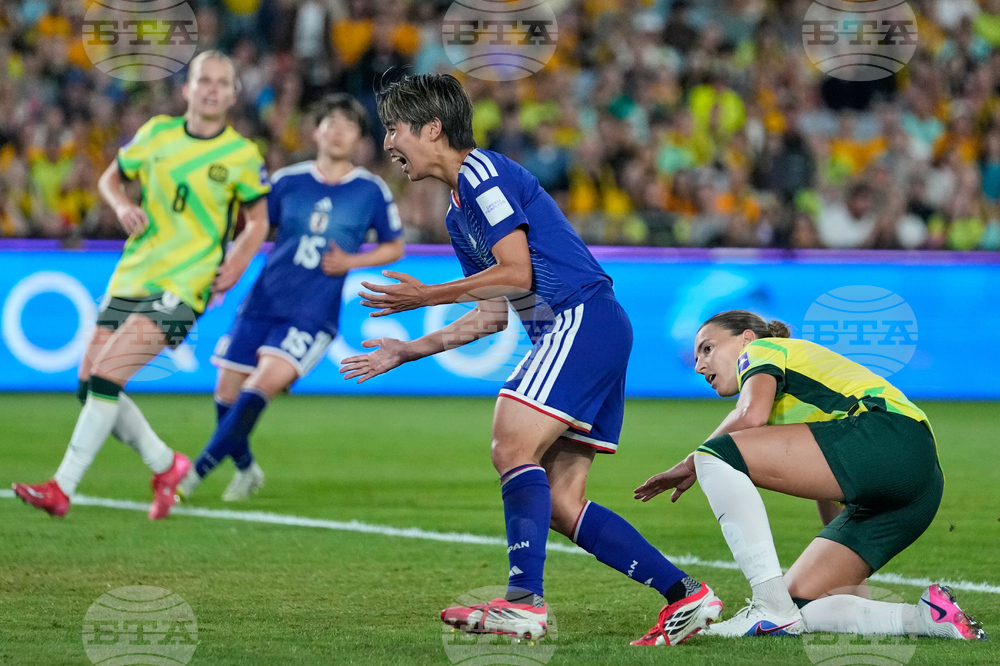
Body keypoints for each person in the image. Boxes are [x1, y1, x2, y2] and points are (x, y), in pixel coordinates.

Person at [338, 73, 722, 646]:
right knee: (563, 504)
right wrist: (410, 349)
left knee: (511, 442)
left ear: (433, 127)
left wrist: (425, 296)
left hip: (580, 318)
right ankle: (686, 596)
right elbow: (493, 313)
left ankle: (523, 603)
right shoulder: (457, 211)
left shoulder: (481, 175)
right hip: (586, 328)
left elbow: (516, 273)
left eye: (394, 127)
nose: (387, 141)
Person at [12, 51, 270, 520]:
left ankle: (61, 487)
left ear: (233, 95)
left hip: (185, 280)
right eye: (202, 80)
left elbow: (257, 222)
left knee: (109, 376)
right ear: (187, 89)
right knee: (89, 384)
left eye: (221, 82)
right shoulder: (156, 134)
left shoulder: (242, 155)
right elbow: (112, 178)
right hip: (133, 271)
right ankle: (165, 464)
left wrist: (235, 265)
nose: (211, 89)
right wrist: (121, 206)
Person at [634, 310, 987, 641]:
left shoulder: (762, 349)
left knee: (717, 453)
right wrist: (846, 570)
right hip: (918, 486)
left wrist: (689, 463)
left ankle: (767, 605)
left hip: (888, 433)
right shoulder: (794, 406)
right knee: (799, 604)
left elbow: (749, 416)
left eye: (708, 348)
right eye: (696, 356)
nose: (699, 365)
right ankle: (927, 618)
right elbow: (825, 487)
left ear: (744, 339)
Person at [176, 93, 404, 502]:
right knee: (226, 394)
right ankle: (246, 470)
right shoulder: (285, 181)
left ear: (359, 139)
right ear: (316, 131)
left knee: (258, 387)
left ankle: (190, 479)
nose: (337, 131)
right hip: (264, 300)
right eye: (330, 122)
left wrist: (351, 261)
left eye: (347, 125)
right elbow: (256, 231)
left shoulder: (370, 190)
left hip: (312, 313)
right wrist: (228, 272)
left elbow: (394, 246)